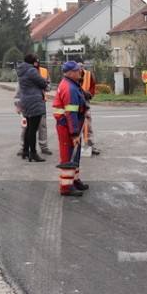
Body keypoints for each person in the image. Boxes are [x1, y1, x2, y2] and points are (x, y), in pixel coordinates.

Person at [52, 61, 89, 197]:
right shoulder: (70, 88)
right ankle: (66, 187)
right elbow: (71, 113)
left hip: (70, 126)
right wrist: (74, 134)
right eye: (77, 70)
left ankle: (74, 180)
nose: (80, 72)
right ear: (71, 73)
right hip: (67, 127)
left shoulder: (71, 84)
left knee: (75, 154)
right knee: (68, 155)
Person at [16, 54, 50, 162]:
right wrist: (44, 84)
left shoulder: (21, 71)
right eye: (36, 61)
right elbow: (43, 83)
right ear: (33, 62)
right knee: (33, 129)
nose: (37, 63)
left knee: (29, 128)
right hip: (35, 101)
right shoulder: (32, 71)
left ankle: (25, 151)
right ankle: (33, 153)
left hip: (25, 101)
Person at [78, 61, 100, 155]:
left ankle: (90, 145)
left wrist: (89, 94)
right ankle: (75, 147)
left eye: (82, 66)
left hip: (85, 101)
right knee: (75, 127)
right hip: (75, 103)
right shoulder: (71, 75)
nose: (80, 68)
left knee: (87, 125)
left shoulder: (88, 75)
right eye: (79, 66)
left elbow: (92, 87)